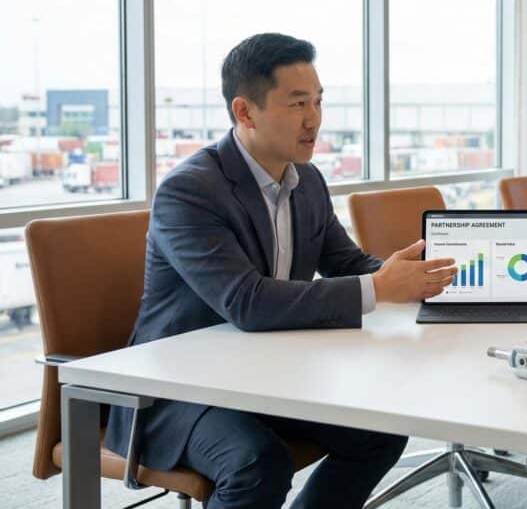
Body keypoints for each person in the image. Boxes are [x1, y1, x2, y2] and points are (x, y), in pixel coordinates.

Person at [106, 33, 457, 509]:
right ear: (245, 112)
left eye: (317, 101)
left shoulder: (306, 179)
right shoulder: (189, 192)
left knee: (380, 432)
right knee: (257, 463)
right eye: (296, 104)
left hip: (270, 373)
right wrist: (378, 287)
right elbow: (247, 302)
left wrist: (416, 280)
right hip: (179, 389)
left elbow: (348, 264)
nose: (314, 119)